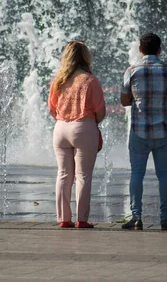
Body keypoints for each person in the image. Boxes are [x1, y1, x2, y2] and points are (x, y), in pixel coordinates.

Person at [120, 32, 167, 231]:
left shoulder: (132, 71)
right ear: (159, 49)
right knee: (164, 175)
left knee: (137, 173)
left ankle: (136, 217)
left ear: (140, 49)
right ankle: (165, 219)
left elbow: (124, 101)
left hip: (139, 131)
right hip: (163, 131)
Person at [48, 41, 106, 229]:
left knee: (63, 174)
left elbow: (52, 108)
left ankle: (64, 219)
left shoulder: (59, 80)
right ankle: (82, 219)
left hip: (60, 129)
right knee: (83, 175)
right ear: (85, 56)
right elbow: (101, 111)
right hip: (83, 127)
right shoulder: (90, 80)